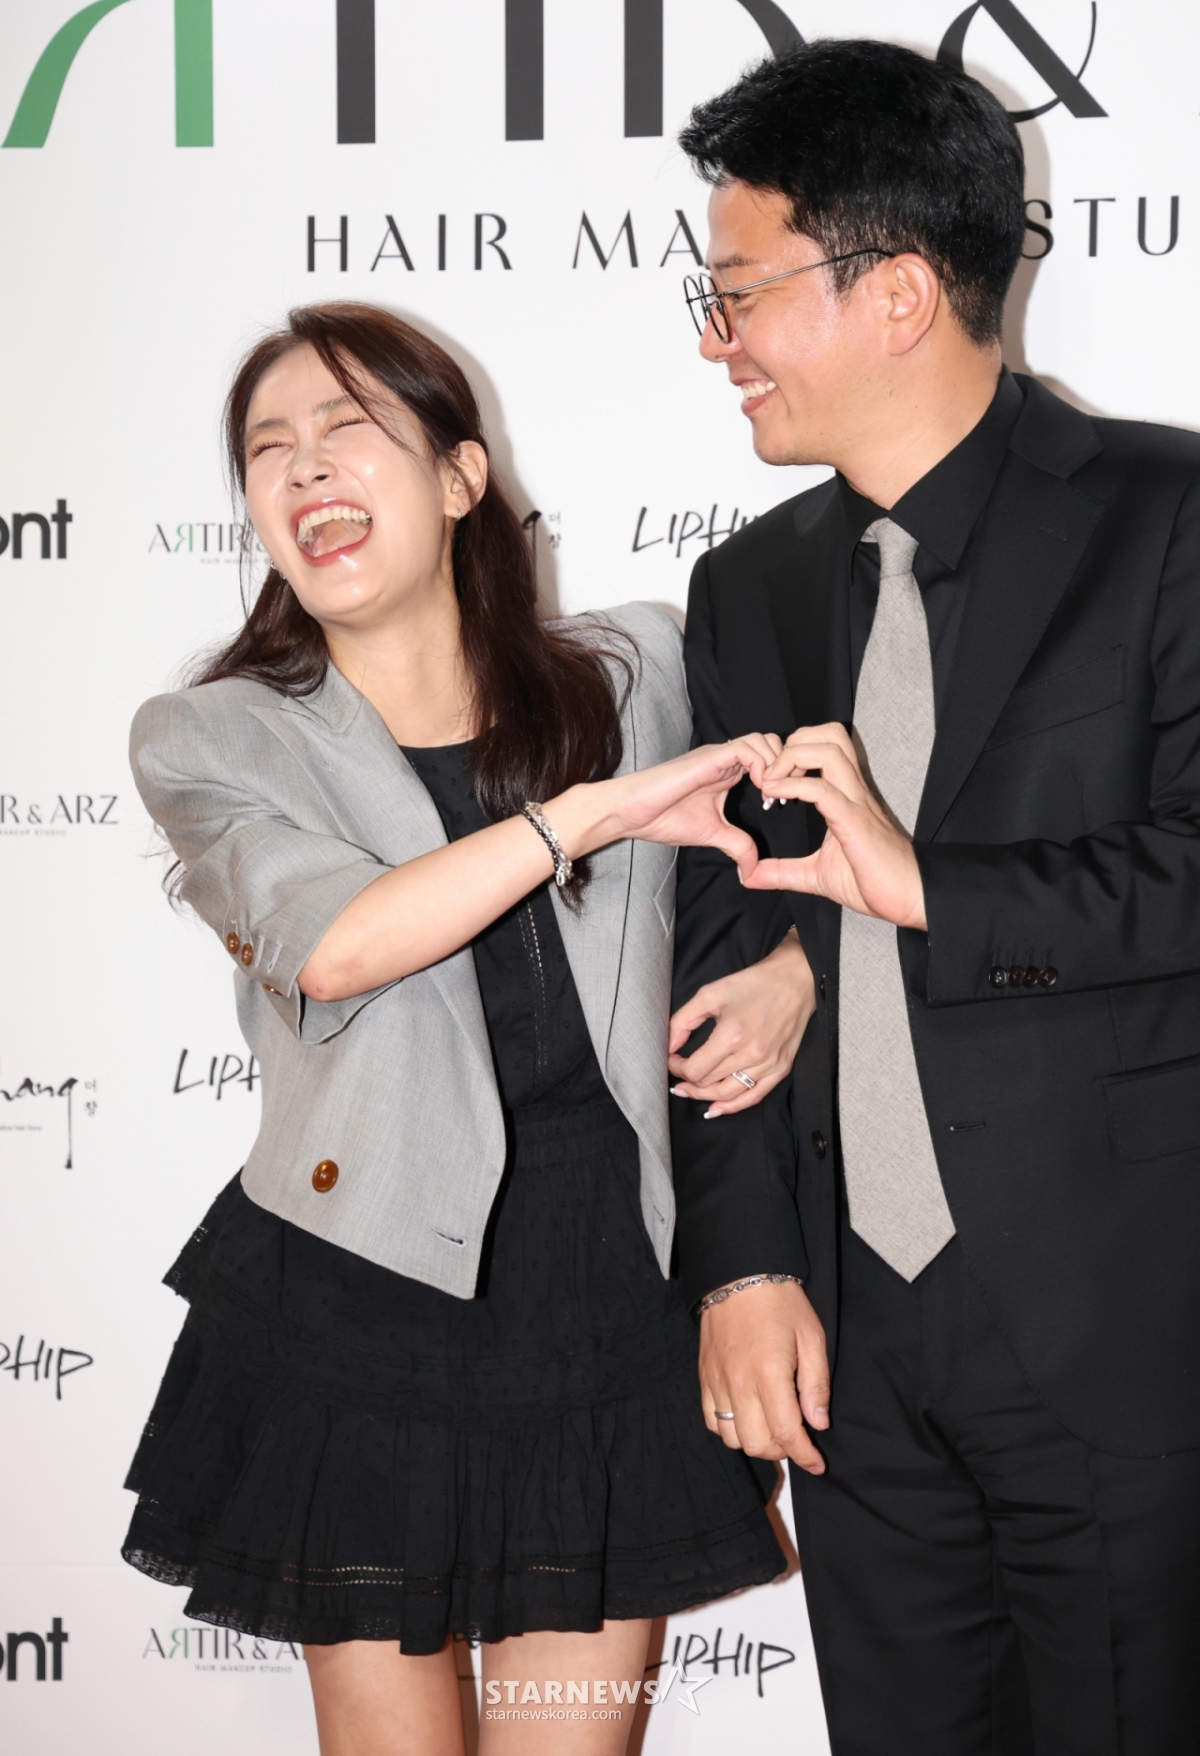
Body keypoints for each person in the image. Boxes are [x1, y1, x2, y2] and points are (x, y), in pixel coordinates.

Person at [120, 302, 810, 1756]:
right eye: (268, 449)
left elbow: (799, 860)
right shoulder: (217, 736)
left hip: (607, 1295)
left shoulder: (638, 671)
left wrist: (799, 972)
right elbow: (337, 945)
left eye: (347, 428)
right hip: (360, 1300)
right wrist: (585, 816)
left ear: (458, 476)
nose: (304, 468)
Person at [667, 39, 1200, 1756]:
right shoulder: (748, 589)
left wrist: (927, 888)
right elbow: (727, 948)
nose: (716, 340)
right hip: (853, 1351)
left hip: (1125, 1331)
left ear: (896, 292)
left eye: (740, 291)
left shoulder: (1170, 520)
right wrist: (745, 1266)